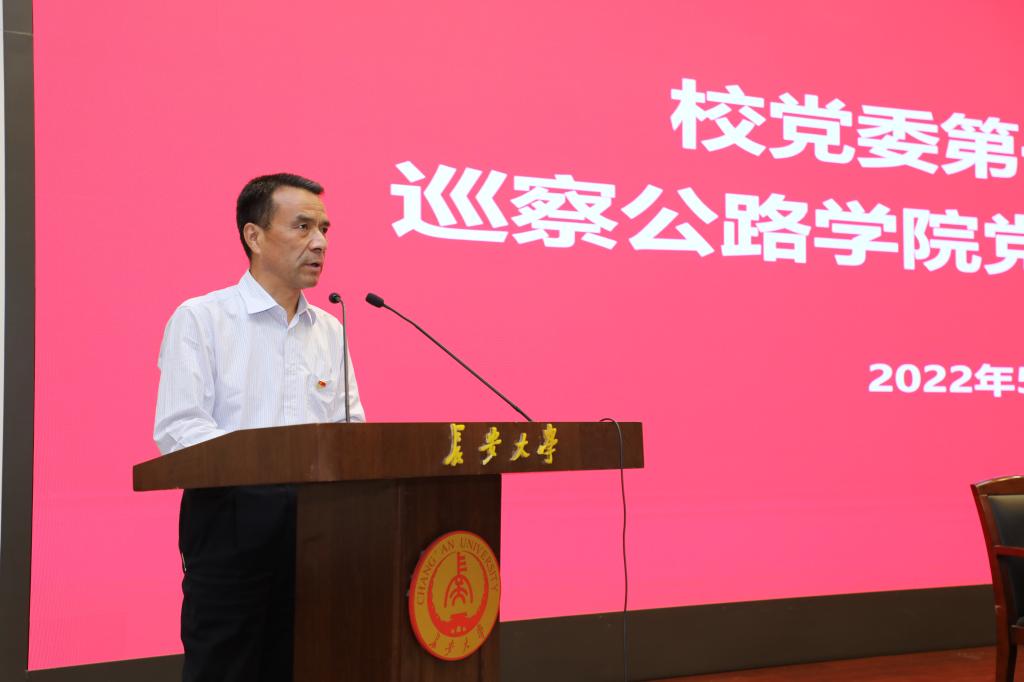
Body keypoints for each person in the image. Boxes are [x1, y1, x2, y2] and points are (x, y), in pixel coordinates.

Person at [153, 173, 365, 682]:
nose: (320, 242)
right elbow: (179, 429)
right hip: (231, 523)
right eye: (303, 226)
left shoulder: (330, 329)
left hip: (318, 532)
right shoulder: (202, 318)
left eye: (325, 229)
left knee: (305, 666)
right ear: (254, 236)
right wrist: (269, 465)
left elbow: (350, 429)